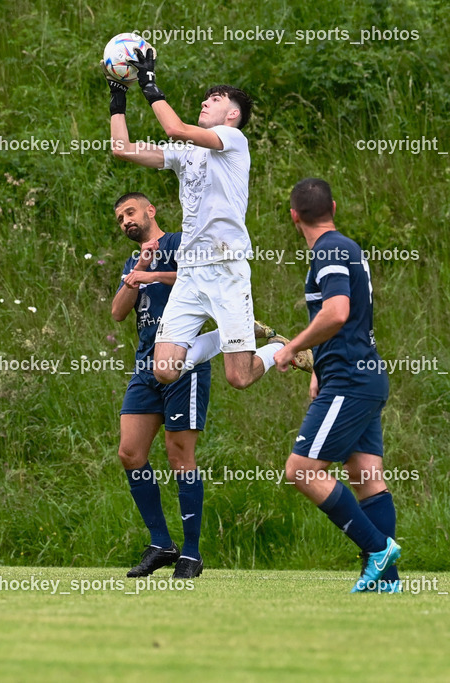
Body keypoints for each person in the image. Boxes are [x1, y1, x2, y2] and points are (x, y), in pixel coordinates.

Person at [106, 46, 312, 389]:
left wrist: (148, 81)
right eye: (206, 98)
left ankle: (277, 346)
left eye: (215, 99)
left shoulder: (234, 140)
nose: (206, 101)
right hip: (189, 271)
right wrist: (118, 96)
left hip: (226, 267)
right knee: (165, 370)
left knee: (239, 377)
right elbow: (121, 149)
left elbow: (174, 128)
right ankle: (227, 335)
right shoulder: (185, 153)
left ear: (232, 115)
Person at [275, 178, 400, 593]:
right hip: (361, 376)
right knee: (366, 475)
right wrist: (317, 368)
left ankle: (378, 550)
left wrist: (292, 347)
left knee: (302, 471)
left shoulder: (327, 250)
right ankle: (388, 582)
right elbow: (350, 318)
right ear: (334, 205)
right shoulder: (347, 247)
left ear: (294, 216)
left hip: (349, 379)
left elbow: (337, 313)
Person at [111, 192, 217, 579]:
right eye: (120, 218)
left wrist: (153, 273)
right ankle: (161, 543)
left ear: (150, 210)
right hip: (144, 367)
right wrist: (138, 270)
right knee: (129, 452)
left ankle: (191, 552)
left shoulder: (177, 243)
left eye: (130, 212)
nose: (126, 221)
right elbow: (118, 311)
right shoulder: (132, 260)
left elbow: (201, 282)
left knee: (179, 456)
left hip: (184, 364)